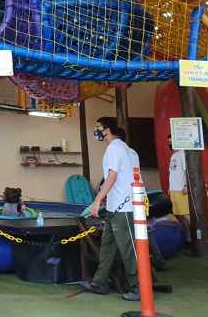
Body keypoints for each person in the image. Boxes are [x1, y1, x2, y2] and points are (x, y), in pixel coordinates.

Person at [81, 116, 141, 302]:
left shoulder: (114, 149)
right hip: (117, 207)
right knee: (108, 246)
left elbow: (112, 177)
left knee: (128, 249)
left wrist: (97, 200)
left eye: (98, 127)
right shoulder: (130, 151)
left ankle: (138, 288)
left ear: (107, 130)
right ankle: (100, 282)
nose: (96, 131)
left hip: (124, 208)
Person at [168, 136, 191, 243]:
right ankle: (186, 237)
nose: (170, 144)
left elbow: (187, 171)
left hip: (181, 189)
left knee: (185, 215)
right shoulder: (173, 155)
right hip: (174, 190)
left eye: (171, 141)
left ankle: (191, 239)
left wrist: (186, 186)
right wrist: (170, 188)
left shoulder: (182, 154)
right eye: (169, 142)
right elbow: (172, 173)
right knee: (177, 214)